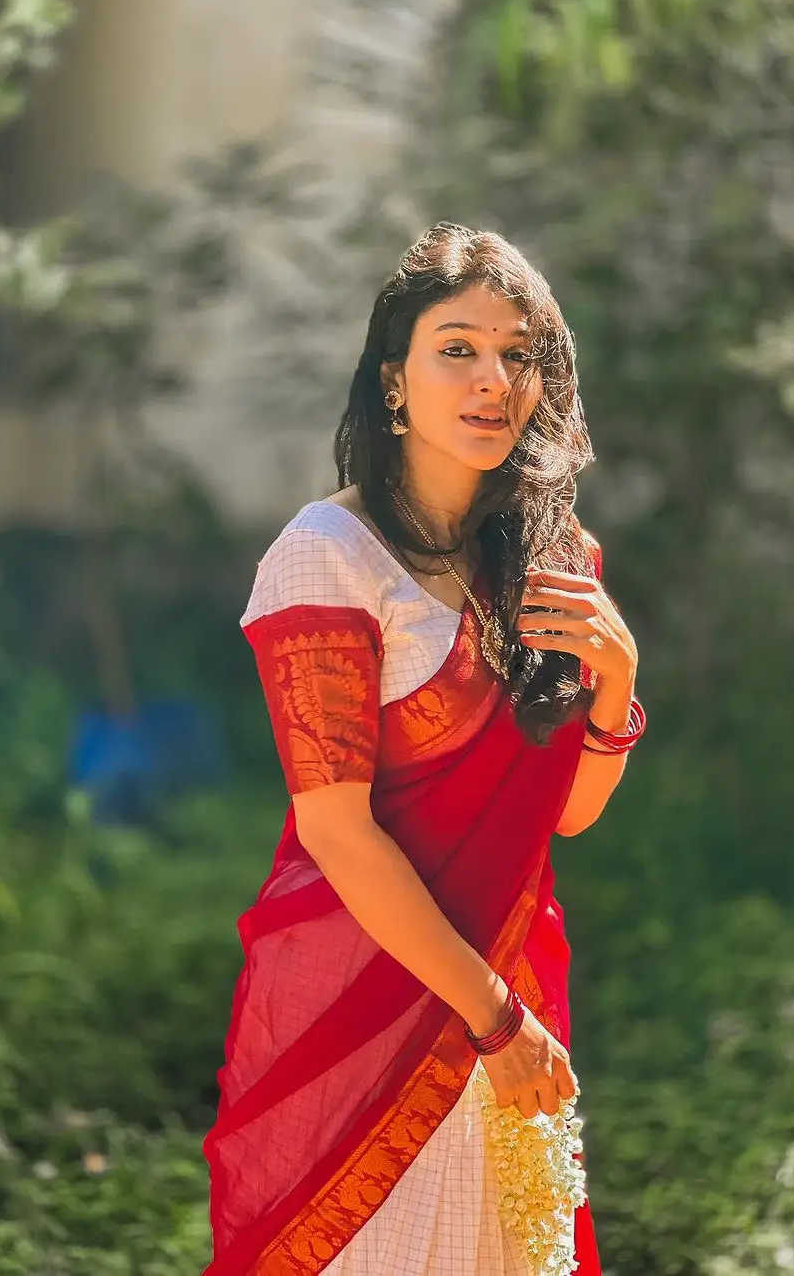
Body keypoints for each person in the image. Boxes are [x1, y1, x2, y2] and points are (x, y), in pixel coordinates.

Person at [202, 222, 644, 1275]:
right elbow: (338, 832)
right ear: (393, 381)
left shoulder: (551, 559)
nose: (493, 378)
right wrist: (494, 1025)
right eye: (458, 347)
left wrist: (618, 689)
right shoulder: (327, 558)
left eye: (518, 353)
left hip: (512, 977)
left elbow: (567, 812)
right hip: (367, 1000)